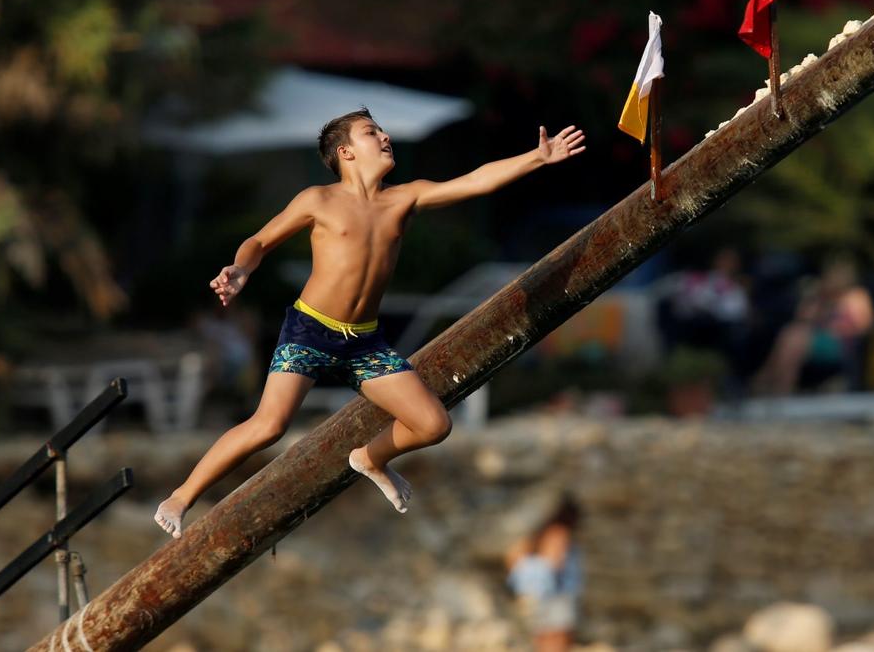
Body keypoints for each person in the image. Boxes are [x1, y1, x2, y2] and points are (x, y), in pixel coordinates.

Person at [153, 108, 586, 538]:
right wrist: (241, 269)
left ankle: (372, 458)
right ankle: (181, 496)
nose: (384, 137)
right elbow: (260, 240)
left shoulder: (404, 197)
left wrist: (537, 158)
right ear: (345, 151)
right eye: (370, 132)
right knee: (268, 426)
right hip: (310, 331)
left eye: (382, 130)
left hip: (364, 344)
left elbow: (473, 181)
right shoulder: (317, 200)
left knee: (434, 425)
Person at [752, 256, 874, 395]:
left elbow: (863, 326)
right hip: (814, 339)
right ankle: (777, 384)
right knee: (793, 334)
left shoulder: (855, 296)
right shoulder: (822, 297)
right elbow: (802, 316)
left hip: (841, 343)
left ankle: (772, 381)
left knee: (794, 337)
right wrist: (818, 299)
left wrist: (836, 326)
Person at [506, 495, 584, 652]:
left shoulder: (548, 534)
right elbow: (550, 567)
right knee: (555, 642)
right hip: (556, 599)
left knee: (545, 641)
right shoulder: (558, 534)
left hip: (548, 600)